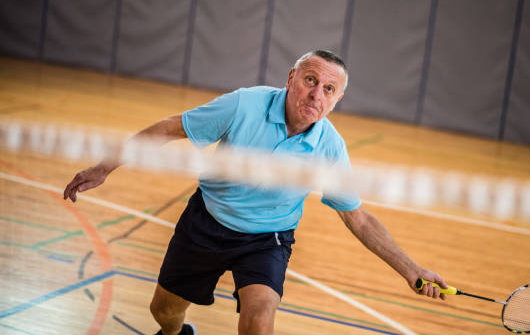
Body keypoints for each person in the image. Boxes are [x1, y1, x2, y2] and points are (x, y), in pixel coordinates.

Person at [64, 50, 447, 335]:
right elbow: (168, 129)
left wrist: (412, 271)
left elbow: (357, 216)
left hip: (267, 240)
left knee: (259, 324)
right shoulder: (244, 105)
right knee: (164, 312)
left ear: (337, 100)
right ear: (291, 77)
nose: (316, 95)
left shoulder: (330, 148)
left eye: (329, 89)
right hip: (207, 223)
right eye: (311, 81)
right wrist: (103, 167)